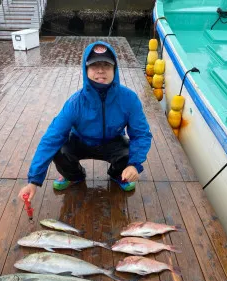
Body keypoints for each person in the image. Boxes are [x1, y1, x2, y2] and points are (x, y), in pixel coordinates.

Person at [18, 40, 152, 202]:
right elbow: (51, 138)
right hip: (80, 141)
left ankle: (119, 174)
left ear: (114, 70)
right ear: (86, 69)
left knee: (128, 154)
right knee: (59, 151)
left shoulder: (129, 99)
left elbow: (141, 134)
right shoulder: (75, 103)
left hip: (113, 142)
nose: (101, 71)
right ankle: (74, 175)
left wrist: (134, 165)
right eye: (95, 66)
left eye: (107, 66)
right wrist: (33, 181)